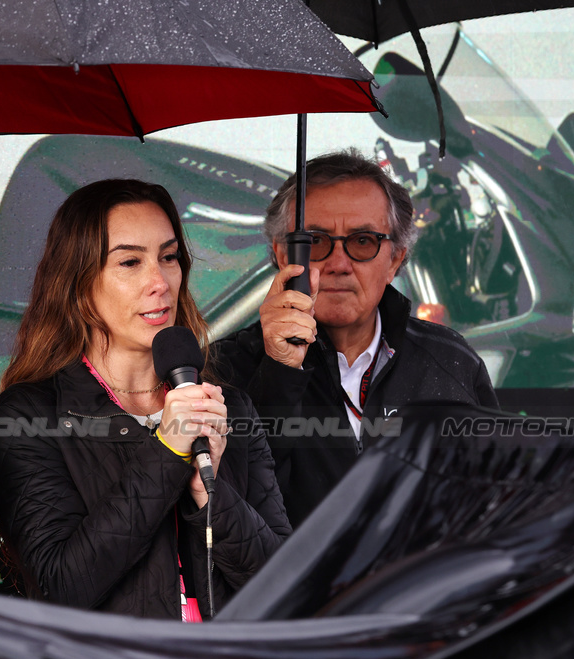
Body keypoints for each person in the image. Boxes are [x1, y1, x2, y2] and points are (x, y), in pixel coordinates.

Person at [0, 179, 291, 619]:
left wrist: (211, 493)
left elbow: (285, 588)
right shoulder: (32, 415)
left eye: (169, 258)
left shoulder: (228, 407)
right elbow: (59, 588)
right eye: (130, 261)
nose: (159, 282)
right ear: (76, 281)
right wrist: (167, 454)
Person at [213, 149, 499, 527]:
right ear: (281, 255)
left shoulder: (451, 361)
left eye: (363, 241)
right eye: (315, 241)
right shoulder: (222, 369)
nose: (338, 263)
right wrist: (280, 371)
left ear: (396, 258)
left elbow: (494, 500)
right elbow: (229, 516)